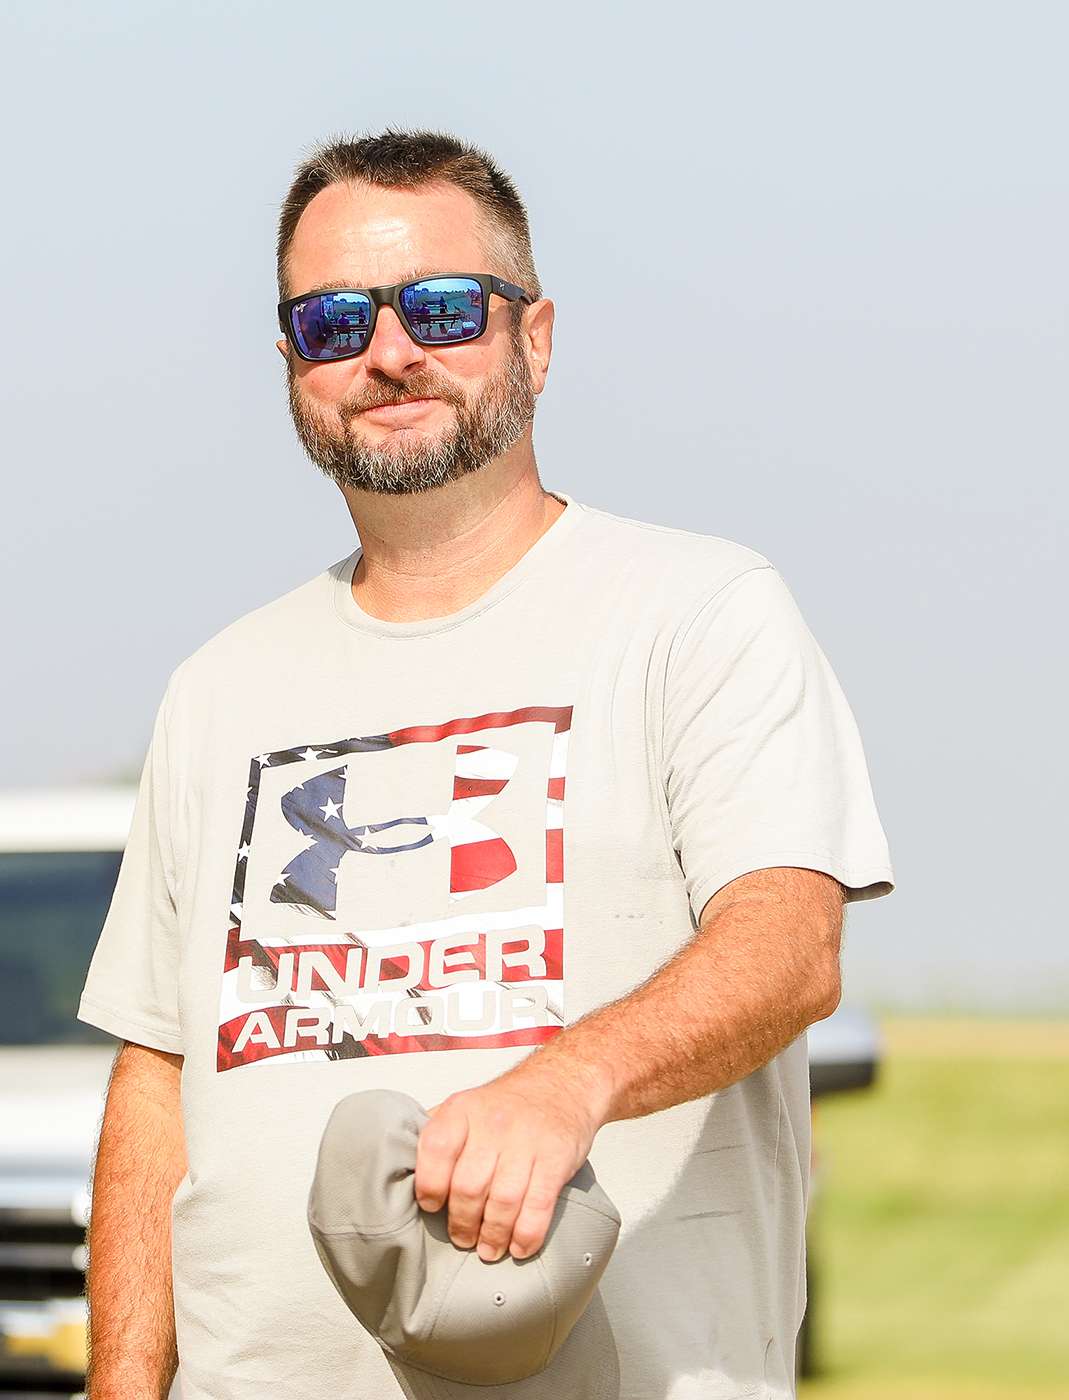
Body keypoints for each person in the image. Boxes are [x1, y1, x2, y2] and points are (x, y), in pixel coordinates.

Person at [78, 129, 893, 1400]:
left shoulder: (698, 613)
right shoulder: (217, 689)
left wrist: (568, 1081)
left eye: (445, 307)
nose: (390, 350)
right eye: (335, 320)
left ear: (537, 338)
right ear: (292, 365)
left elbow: (791, 946)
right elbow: (158, 1077)